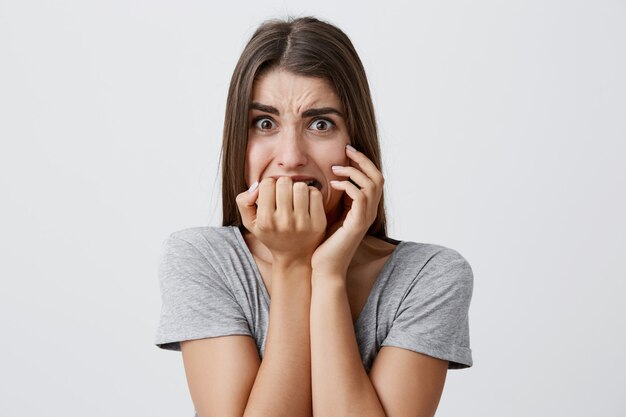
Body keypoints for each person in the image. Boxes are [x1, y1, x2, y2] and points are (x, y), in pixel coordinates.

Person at [155, 16, 473, 417]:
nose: (290, 157)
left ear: (356, 143)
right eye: (264, 123)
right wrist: (292, 265)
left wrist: (328, 274)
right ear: (240, 140)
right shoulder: (201, 259)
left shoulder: (430, 276)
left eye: (320, 124)